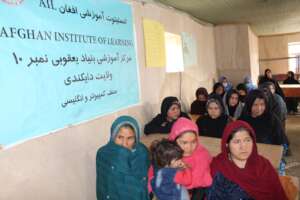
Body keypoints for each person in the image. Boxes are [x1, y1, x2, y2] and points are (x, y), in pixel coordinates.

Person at [207, 120, 288, 200]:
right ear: (227, 145)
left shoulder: (264, 166)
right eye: (237, 142)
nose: (243, 147)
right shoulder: (219, 167)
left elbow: (278, 195)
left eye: (247, 140)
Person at [96, 116, 150, 200]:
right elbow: (103, 187)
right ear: (113, 136)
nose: (124, 144)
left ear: (136, 139)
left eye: (130, 138)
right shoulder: (104, 154)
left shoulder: (142, 152)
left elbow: (144, 182)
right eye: (120, 137)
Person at [168, 117, 212, 200]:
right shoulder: (167, 154)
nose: (189, 147)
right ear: (174, 140)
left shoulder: (202, 155)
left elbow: (205, 182)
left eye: (193, 142)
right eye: (184, 142)